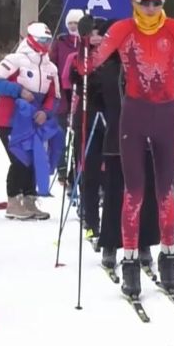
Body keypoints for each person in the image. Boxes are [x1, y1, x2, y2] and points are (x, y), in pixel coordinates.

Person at [78, 0, 174, 299]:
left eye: (156, 3)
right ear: (134, 2)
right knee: (134, 192)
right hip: (134, 115)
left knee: (166, 192)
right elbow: (87, 66)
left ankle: (168, 259)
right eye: (144, 3)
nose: (150, 10)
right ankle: (130, 263)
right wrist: (83, 39)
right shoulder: (123, 29)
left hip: (166, 114)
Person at [84, 15, 161, 273]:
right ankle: (110, 244)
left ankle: (144, 243)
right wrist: (84, 44)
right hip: (116, 139)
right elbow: (80, 81)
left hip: (145, 138)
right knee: (115, 192)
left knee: (146, 192)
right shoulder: (103, 67)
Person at [0, 23, 61, 220]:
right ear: (32, 39)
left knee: (34, 159)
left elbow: (54, 96)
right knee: (19, 159)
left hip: (32, 121)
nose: (46, 44)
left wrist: (46, 112)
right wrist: (18, 90)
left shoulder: (50, 68)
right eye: (42, 40)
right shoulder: (16, 60)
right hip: (9, 119)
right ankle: (14, 201)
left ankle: (29, 199)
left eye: (49, 41)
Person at [65, 16, 111, 237]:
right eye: (92, 33)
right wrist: (84, 45)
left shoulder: (114, 55)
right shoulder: (80, 55)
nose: (96, 38)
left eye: (100, 33)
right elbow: (74, 76)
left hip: (111, 117)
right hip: (87, 117)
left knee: (112, 173)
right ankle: (91, 220)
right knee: (89, 170)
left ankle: (112, 224)